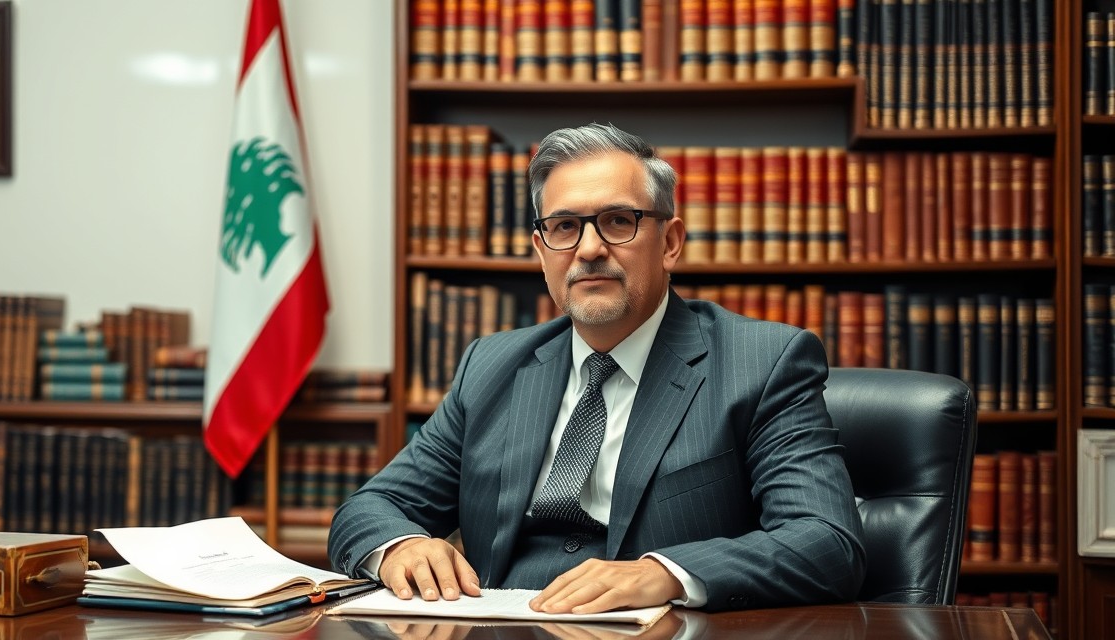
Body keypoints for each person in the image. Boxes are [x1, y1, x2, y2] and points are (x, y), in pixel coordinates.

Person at [328, 123, 865, 613]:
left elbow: (827, 541)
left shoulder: (765, 363)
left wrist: (669, 574)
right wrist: (404, 544)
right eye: (564, 227)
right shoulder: (490, 365)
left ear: (670, 242)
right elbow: (372, 506)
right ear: (542, 252)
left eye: (617, 222)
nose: (588, 249)